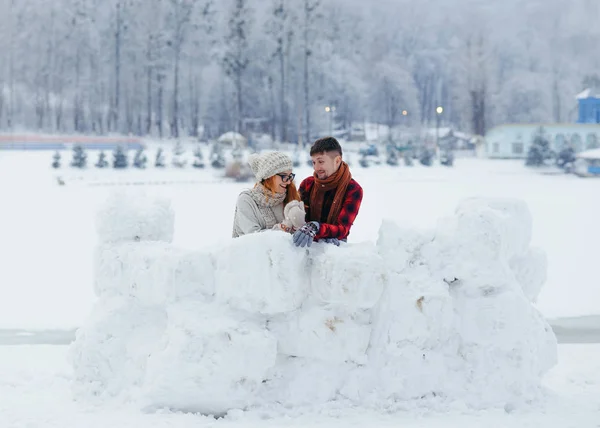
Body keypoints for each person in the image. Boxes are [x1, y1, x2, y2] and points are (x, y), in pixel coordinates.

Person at [293, 137, 363, 247]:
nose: (316, 168)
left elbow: (342, 229)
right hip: (305, 247)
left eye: (321, 162)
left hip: (334, 252)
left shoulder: (353, 189)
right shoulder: (307, 184)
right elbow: (299, 219)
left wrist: (317, 228)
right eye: (314, 162)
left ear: (337, 161)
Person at [232, 151, 306, 238]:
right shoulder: (247, 200)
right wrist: (285, 227)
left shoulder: (289, 197)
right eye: (284, 176)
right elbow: (253, 239)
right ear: (268, 176)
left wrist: (298, 226)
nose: (289, 181)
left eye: (290, 176)